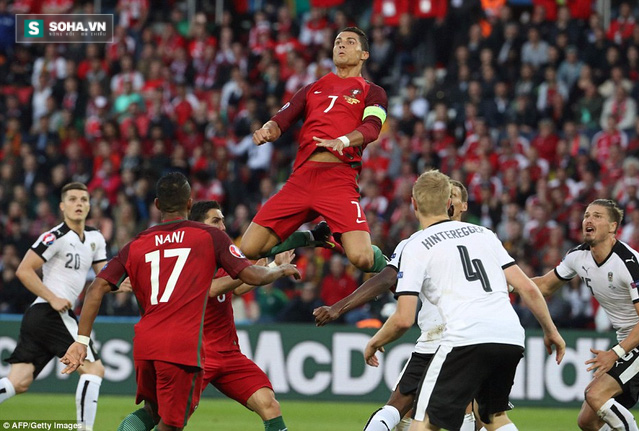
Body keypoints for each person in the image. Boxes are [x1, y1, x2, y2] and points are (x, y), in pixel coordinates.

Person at [60, 173, 300, 431]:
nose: (221, 226)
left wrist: (81, 341)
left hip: (147, 342)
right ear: (189, 203)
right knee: (171, 424)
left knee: (154, 410)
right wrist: (279, 270)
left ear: (157, 205)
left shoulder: (137, 244)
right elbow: (249, 275)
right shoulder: (208, 239)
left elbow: (96, 288)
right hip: (183, 346)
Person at [363, 170, 565, 431]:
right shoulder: (484, 234)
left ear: (413, 204)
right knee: (495, 419)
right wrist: (551, 331)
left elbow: (403, 319)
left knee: (422, 422)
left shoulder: (417, 245)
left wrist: (375, 341)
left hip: (465, 337)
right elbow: (527, 287)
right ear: (449, 204)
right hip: (510, 336)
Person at [316, 179, 477, 431]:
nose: (452, 200)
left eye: (456, 195)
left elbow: (397, 302)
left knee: (470, 412)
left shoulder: (429, 242)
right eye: (449, 194)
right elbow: (388, 278)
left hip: (452, 335)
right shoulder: (481, 239)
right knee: (474, 413)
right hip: (466, 335)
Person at [246, 26, 389, 273]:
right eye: (337, 41)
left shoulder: (372, 91)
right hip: (301, 178)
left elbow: (372, 127)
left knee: (362, 259)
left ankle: (390, 267)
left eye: (350, 42)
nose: (341, 45)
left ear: (364, 54)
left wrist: (342, 141)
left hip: (338, 178)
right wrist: (268, 129)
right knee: (249, 248)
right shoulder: (313, 88)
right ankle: (311, 238)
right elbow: (282, 118)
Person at [532, 199, 639, 431]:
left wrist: (615, 353)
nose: (588, 220)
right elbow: (542, 286)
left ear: (613, 227)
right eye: (587, 215)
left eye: (597, 216)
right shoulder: (577, 256)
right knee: (588, 421)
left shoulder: (629, 262)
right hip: (630, 340)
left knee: (595, 394)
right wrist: (502, 281)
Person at [0, 182, 107, 431]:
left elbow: (106, 279)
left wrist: (134, 283)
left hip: (41, 317)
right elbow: (24, 270)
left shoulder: (95, 238)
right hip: (51, 312)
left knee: (19, 381)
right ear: (62, 206)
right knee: (94, 369)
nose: (78, 203)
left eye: (83, 199)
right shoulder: (55, 236)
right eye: (72, 199)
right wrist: (52, 298)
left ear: (90, 205)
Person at [188, 200, 292, 431]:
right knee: (167, 417)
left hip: (228, 354)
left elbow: (236, 287)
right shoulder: (187, 258)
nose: (223, 227)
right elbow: (212, 289)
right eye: (216, 221)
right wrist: (265, 271)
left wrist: (271, 266)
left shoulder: (222, 256)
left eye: (223, 221)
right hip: (196, 354)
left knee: (269, 404)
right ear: (198, 226)